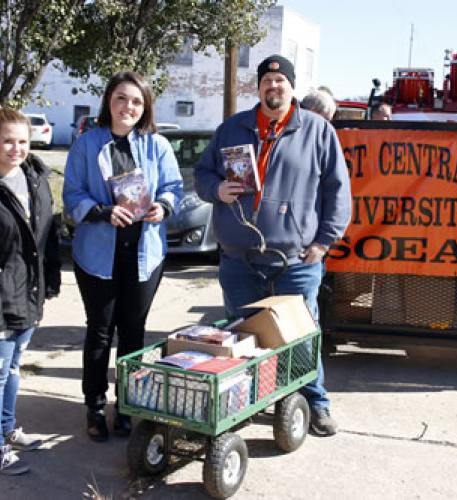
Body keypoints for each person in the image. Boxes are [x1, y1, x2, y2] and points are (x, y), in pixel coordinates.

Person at [194, 54, 352, 436]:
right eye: (267, 80)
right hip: (239, 259)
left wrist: (322, 243)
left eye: (281, 82)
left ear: (291, 87)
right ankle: (247, 401)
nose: (273, 87)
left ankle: (315, 402)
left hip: (296, 261)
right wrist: (216, 189)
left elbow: (338, 191)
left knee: (300, 335)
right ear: (259, 86)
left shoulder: (316, 130)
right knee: (243, 338)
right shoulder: (232, 129)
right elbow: (202, 174)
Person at [63, 71, 183, 442]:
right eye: (120, 98)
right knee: (99, 331)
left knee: (134, 332)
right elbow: (71, 193)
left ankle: (130, 404)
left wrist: (163, 206)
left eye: (135, 100)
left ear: (145, 105)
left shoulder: (157, 146)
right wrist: (101, 211)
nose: (127, 106)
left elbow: (173, 188)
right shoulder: (87, 144)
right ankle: (95, 406)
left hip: (145, 254)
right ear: (108, 102)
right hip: (98, 253)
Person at [0, 108, 61, 474]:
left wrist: (50, 279)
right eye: (7, 140)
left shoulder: (36, 177)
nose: (16, 148)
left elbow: (47, 234)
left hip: (29, 295)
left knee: (14, 368)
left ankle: (7, 430)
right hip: (3, 298)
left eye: (22, 141)